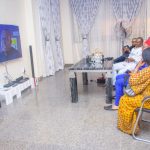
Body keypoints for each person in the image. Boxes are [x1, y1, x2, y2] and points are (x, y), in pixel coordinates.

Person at [104, 38, 150, 110]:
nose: (142, 49)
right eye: (143, 47)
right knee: (118, 77)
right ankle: (119, 97)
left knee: (119, 81)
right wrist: (134, 70)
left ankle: (117, 104)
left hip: (139, 82)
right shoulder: (144, 58)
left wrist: (136, 68)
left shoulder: (147, 63)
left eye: (144, 47)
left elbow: (140, 76)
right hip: (136, 76)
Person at [117, 47, 150, 135]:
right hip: (147, 96)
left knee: (124, 99)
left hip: (147, 100)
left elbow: (132, 81)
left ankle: (129, 128)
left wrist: (138, 67)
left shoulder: (147, 71)